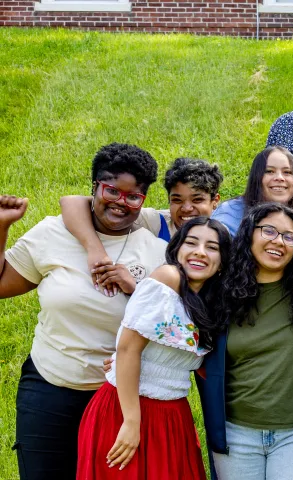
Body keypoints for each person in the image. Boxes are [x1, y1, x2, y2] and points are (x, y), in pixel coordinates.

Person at [0, 144, 168, 480]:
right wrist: (2, 227)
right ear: (94, 188)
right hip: (48, 386)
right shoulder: (54, 233)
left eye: (134, 196)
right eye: (112, 190)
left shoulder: (157, 251)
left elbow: (172, 326)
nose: (121, 202)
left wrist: (135, 288)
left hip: (119, 396)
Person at [76, 217, 230, 480]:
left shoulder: (208, 302)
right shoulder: (167, 278)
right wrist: (132, 423)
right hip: (127, 410)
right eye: (191, 243)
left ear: (222, 262)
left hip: (173, 416)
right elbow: (127, 350)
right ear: (177, 249)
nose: (200, 252)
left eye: (212, 247)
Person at [196, 203, 293, 480]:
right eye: (269, 231)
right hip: (236, 431)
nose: (278, 242)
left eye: (288, 236)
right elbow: (183, 339)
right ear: (249, 235)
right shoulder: (220, 295)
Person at [59, 157, 223, 297]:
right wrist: (96, 250)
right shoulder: (158, 222)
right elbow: (72, 202)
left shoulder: (223, 234)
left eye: (197, 200)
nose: (187, 208)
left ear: (215, 201)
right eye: (177, 200)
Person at [211, 146, 293, 238]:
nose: (279, 178)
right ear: (256, 178)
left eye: (287, 172)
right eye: (269, 171)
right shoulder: (230, 212)